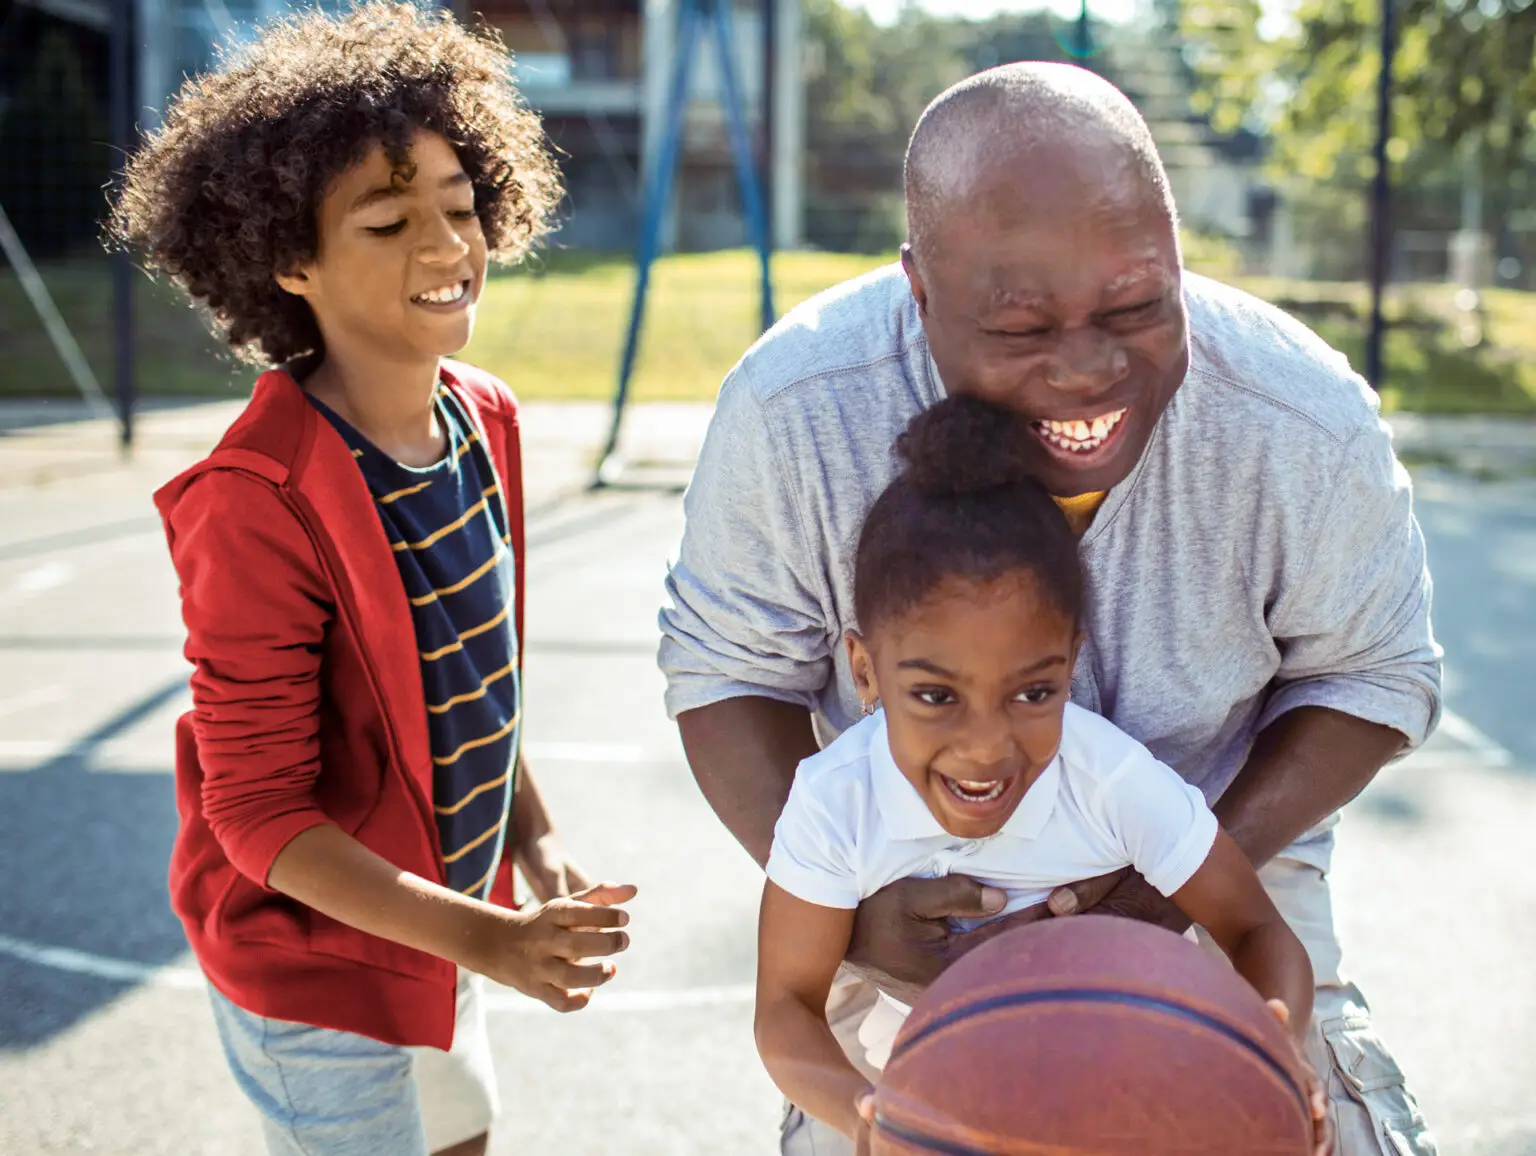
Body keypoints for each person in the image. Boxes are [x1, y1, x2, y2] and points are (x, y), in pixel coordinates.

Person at [659, 62, 1441, 1156]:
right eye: (1023, 327)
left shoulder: (1298, 418)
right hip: (913, 885)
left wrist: (1171, 902)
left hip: (1223, 855)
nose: (1088, 368)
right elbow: (726, 672)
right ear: (919, 292)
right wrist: (858, 918)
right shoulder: (798, 408)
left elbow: (1377, 674)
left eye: (1136, 305)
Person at [109, 7, 635, 1155]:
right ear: (287, 260)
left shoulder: (480, 414)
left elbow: (466, 668)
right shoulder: (255, 498)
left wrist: (532, 837)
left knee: (460, 1141)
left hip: (434, 922)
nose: (446, 246)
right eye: (390, 221)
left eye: (460, 207)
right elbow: (255, 814)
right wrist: (489, 940)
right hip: (318, 958)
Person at [754, 396, 1328, 1153]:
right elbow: (786, 1009)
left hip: (1131, 1077)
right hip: (921, 1078)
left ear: (1072, 662)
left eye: (1033, 693)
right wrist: (869, 1116)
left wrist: (1273, 1045)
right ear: (864, 670)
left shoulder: (1108, 779)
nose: (987, 745)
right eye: (935, 696)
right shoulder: (836, 801)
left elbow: (1257, 930)